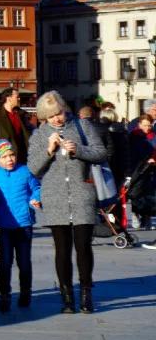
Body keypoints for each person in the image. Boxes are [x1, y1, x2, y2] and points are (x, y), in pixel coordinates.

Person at [27, 91, 106, 314]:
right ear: (44, 117)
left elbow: (101, 152)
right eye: (51, 116)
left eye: (59, 113)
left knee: (83, 247)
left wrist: (78, 150)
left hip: (82, 194)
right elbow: (32, 168)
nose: (57, 119)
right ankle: (67, 297)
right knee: (62, 249)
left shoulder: (82, 126)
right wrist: (48, 151)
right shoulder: (39, 134)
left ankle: (86, 294)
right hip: (54, 197)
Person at [0, 139, 41, 312]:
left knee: (24, 261)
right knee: (5, 261)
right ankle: (4, 295)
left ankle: (25, 292)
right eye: (5, 157)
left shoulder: (25, 171)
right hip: (4, 225)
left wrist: (37, 198)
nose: (10, 159)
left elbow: (37, 187)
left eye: (12, 155)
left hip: (24, 223)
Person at [0, 88, 31, 167]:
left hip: (22, 156)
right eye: (17, 97)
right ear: (9, 98)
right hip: (5, 157)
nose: (19, 99)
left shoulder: (21, 115)